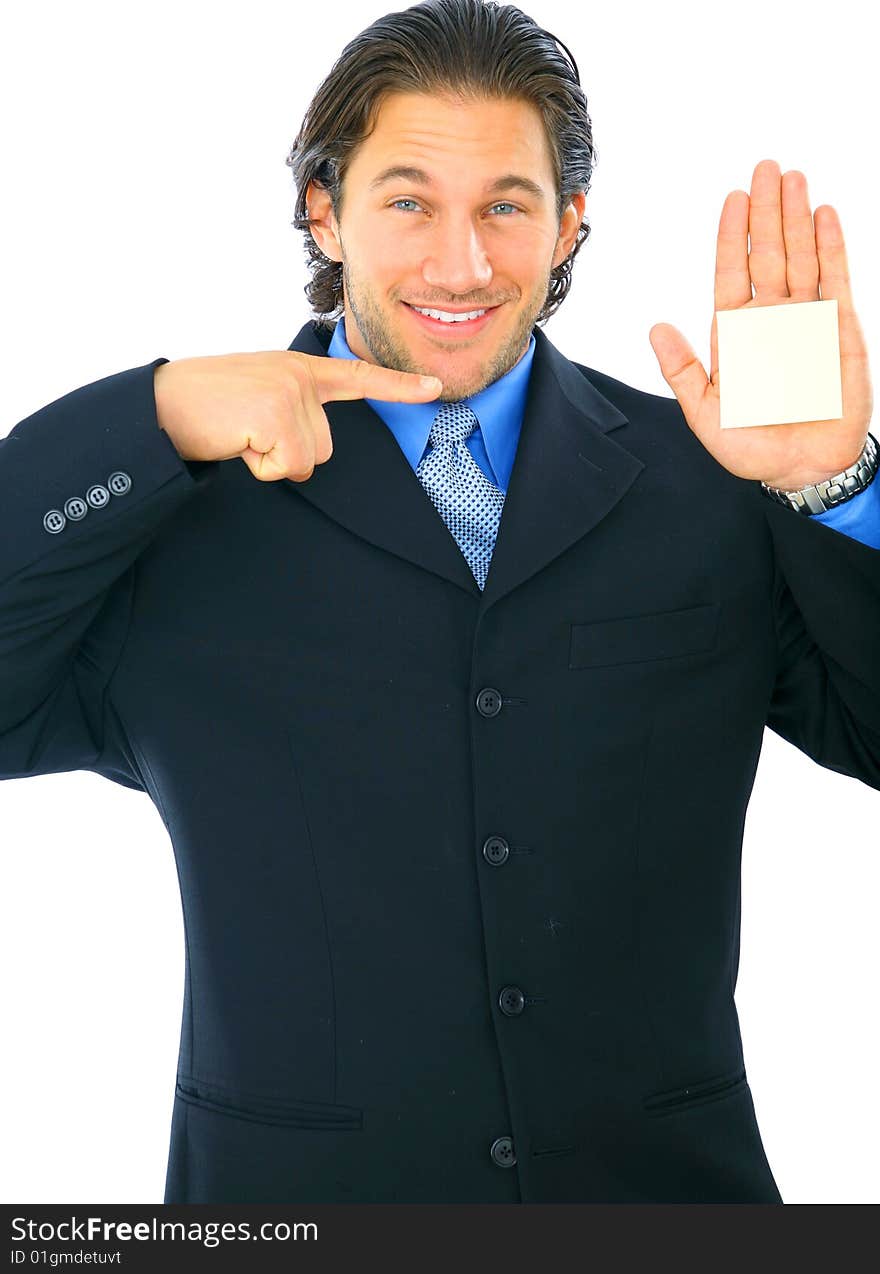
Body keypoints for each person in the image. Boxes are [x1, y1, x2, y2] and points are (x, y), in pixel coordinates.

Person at [1, 0, 877, 1205]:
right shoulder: (169, 518)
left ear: (569, 225)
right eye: (408, 200)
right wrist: (149, 418)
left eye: (506, 205)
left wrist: (831, 487)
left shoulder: (705, 480)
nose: (460, 263)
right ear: (324, 208)